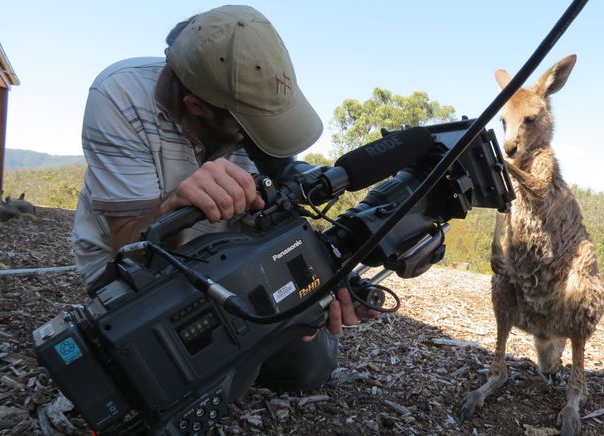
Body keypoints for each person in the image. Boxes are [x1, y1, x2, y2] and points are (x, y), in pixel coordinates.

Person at [70, 5, 375, 392]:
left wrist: (318, 280)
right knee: (190, 379)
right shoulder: (119, 95)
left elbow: (274, 224)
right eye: (249, 128)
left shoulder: (256, 105)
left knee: (308, 367)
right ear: (196, 106)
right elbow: (125, 244)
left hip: (233, 257)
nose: (261, 140)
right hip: (126, 267)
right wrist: (174, 206)